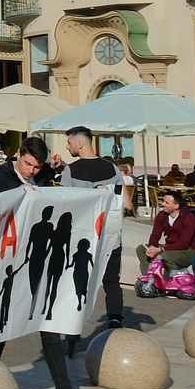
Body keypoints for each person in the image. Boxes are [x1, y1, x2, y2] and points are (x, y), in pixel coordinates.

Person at [0, 143, 102, 389]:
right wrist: (18, 196)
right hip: (9, 262)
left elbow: (62, 202)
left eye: (36, 166)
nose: (32, 170)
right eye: (28, 165)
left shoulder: (43, 176)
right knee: (2, 327)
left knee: (49, 321)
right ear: (18, 156)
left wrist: (95, 197)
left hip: (41, 263)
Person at [59, 127, 126, 329]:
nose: (67, 146)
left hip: (82, 237)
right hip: (110, 234)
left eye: (69, 142)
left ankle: (73, 323)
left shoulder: (71, 170)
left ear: (80, 144)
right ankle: (115, 320)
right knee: (112, 281)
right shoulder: (112, 169)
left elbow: (65, 205)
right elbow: (124, 201)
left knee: (78, 280)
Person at [137, 190, 195, 273]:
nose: (162, 204)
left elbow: (183, 244)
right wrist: (152, 247)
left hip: (191, 250)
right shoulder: (162, 215)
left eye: (166, 202)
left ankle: (174, 278)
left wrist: (160, 249)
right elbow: (155, 234)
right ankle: (152, 275)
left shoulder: (189, 218)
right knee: (141, 249)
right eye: (163, 201)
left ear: (176, 206)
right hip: (171, 246)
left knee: (165, 256)